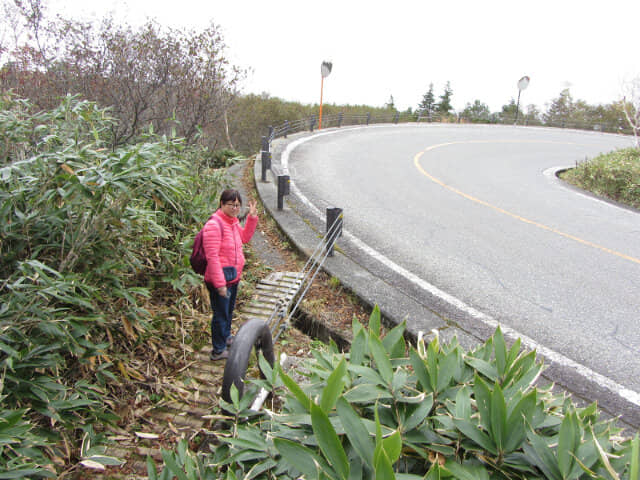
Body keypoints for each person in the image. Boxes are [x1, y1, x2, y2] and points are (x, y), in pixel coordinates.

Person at [202, 189, 258, 360]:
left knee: (228, 312)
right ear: (221, 204)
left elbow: (245, 238)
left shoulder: (232, 222)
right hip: (220, 280)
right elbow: (212, 257)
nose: (235, 208)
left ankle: (226, 338)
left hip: (232, 277)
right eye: (231, 205)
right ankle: (218, 350)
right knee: (220, 314)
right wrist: (220, 285)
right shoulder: (214, 225)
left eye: (237, 205)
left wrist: (252, 217)